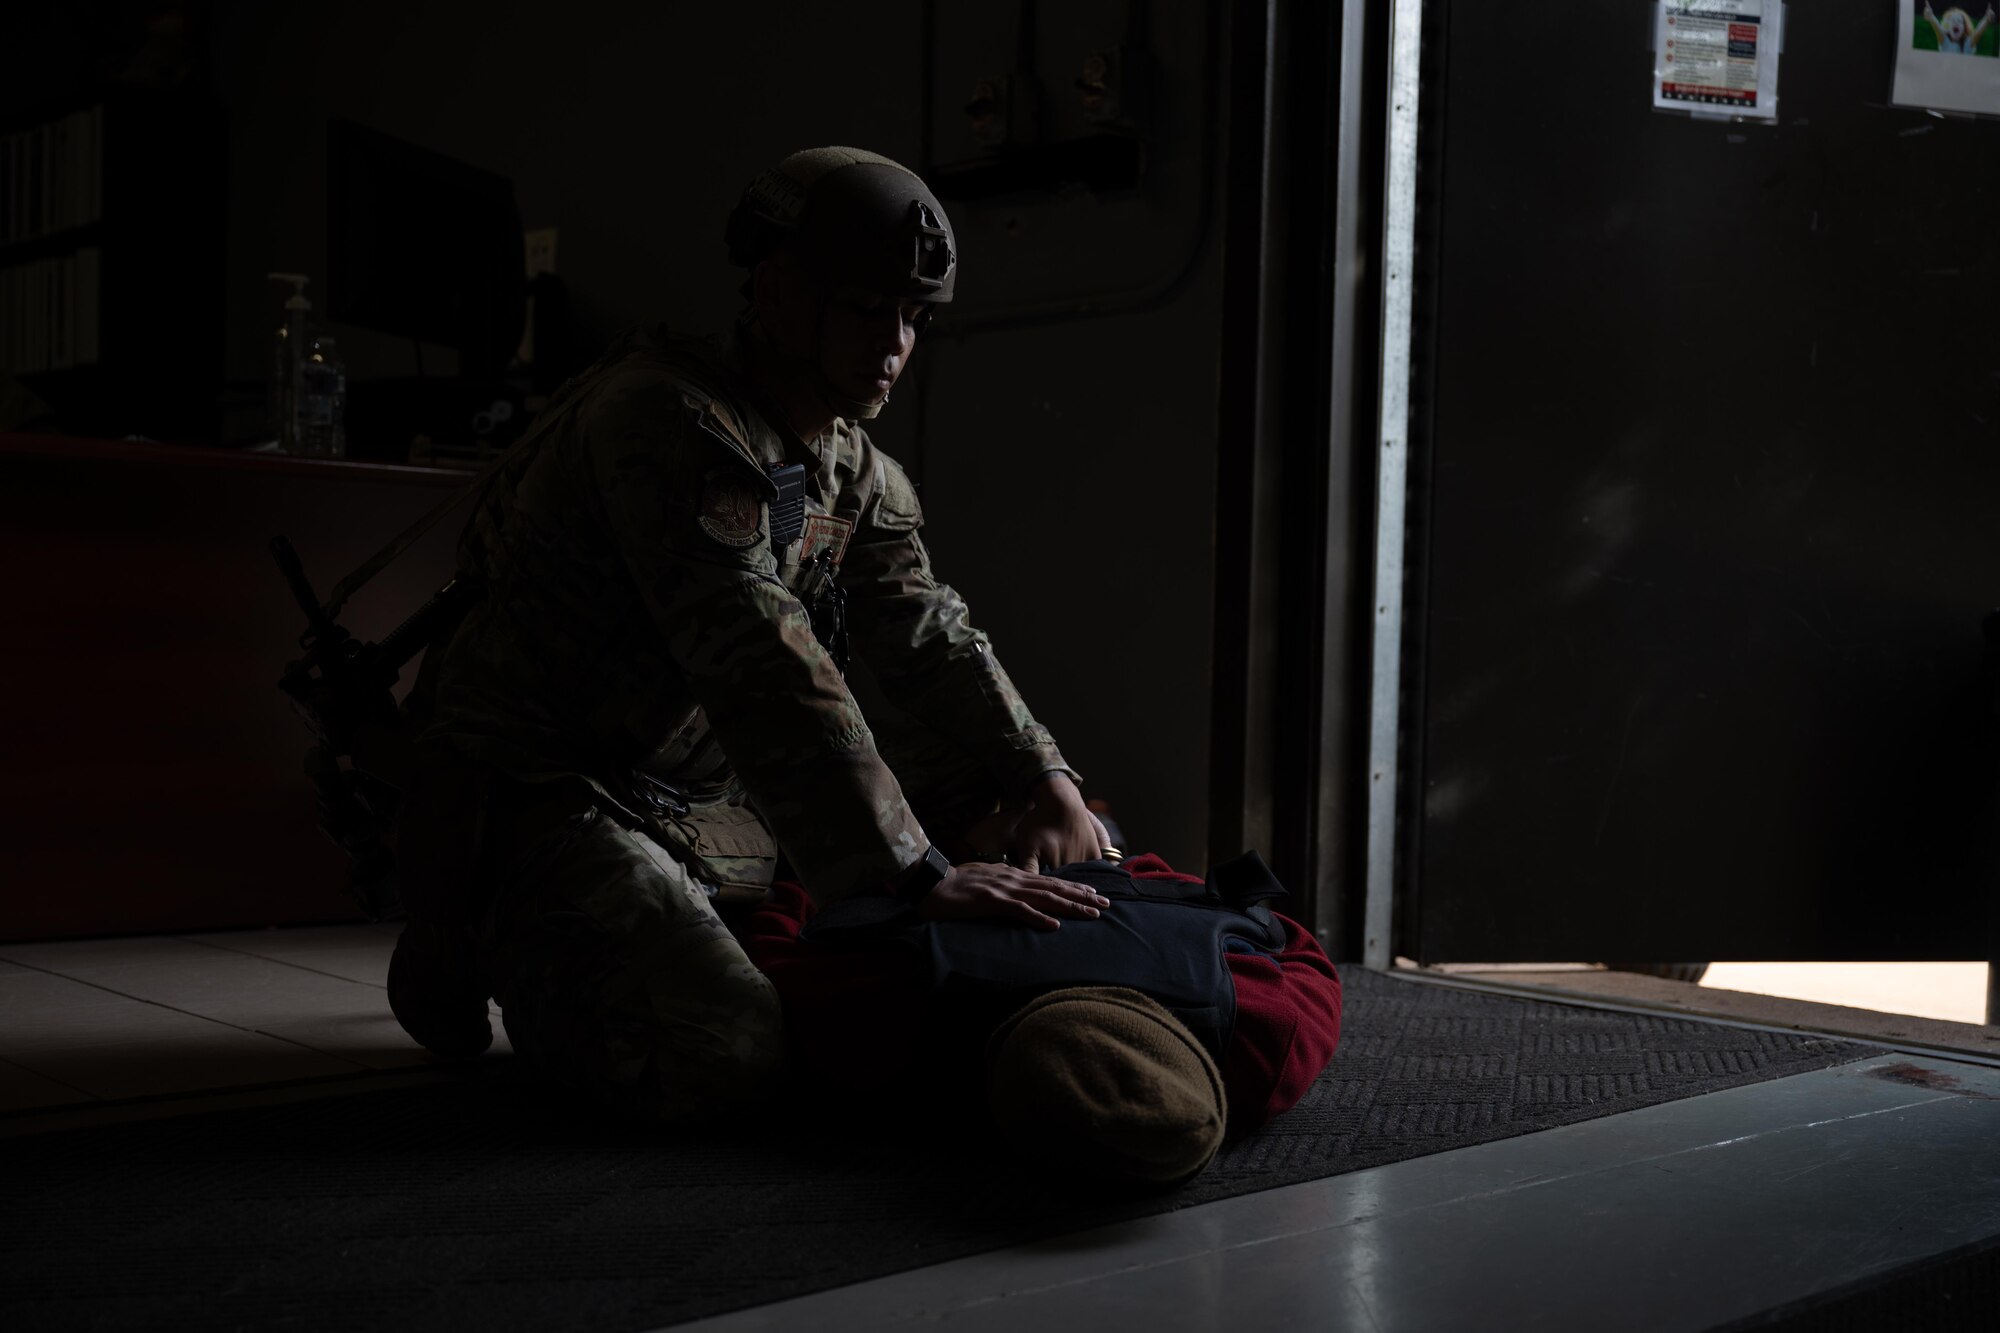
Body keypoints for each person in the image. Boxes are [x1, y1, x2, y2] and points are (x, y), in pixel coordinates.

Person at [388, 147, 1113, 1122]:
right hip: (544, 787)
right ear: (775, 291)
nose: (893, 343)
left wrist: (1042, 778)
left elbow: (926, 631)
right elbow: (760, 657)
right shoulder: (664, 420)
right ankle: (476, 927)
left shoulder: (851, 466)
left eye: (914, 317)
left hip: (693, 793)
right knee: (728, 1052)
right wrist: (914, 876)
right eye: (865, 308)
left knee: (1004, 852)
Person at [744, 843, 1344, 1187]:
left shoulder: (1266, 1045)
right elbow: (788, 917)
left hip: (946, 854)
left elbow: (783, 910)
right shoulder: (882, 1029)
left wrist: (928, 874)